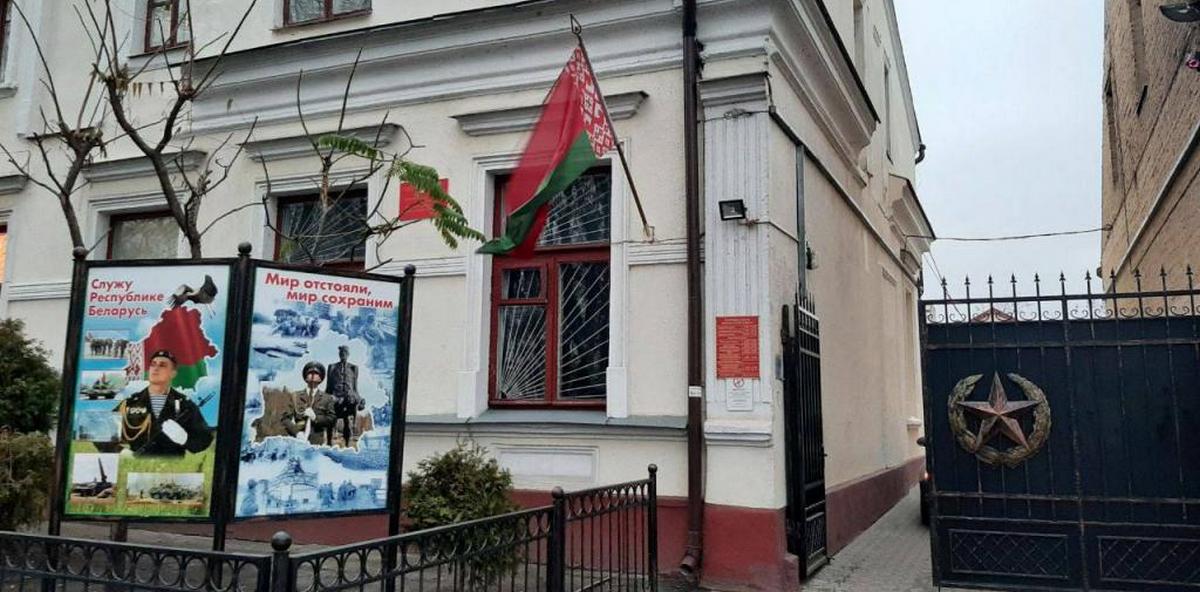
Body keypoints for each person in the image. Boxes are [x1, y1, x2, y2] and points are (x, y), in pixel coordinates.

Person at [114, 350, 213, 456]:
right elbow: (104, 431)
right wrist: (123, 452)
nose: (155, 368)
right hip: (136, 464)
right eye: (153, 364)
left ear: (173, 373)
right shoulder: (130, 403)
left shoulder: (185, 405)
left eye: (162, 365)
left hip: (173, 465)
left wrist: (185, 439)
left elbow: (205, 439)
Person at [288, 361, 337, 445]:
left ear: (320, 378)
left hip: (316, 443)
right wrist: (296, 433)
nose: (313, 375)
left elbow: (332, 420)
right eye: (310, 373)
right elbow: (285, 419)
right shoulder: (295, 396)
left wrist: (315, 418)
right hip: (297, 441)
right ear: (305, 377)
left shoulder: (327, 398)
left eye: (316, 373)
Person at [326, 345, 361, 446]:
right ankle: (329, 443)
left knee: (348, 417)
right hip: (335, 397)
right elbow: (328, 387)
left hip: (348, 398)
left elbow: (355, 388)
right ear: (339, 354)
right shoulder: (332, 367)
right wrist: (325, 399)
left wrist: (359, 399)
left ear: (348, 354)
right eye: (341, 353)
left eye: (345, 353)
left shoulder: (353, 368)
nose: (343, 354)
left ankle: (347, 443)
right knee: (330, 416)